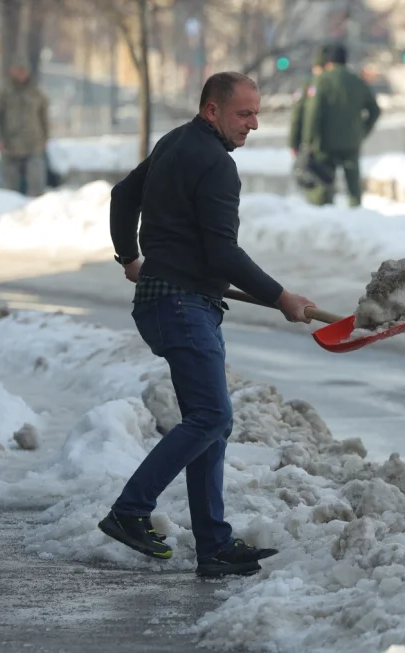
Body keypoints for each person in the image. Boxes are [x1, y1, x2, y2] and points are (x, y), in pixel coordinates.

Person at [103, 72, 317, 578]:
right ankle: (130, 510)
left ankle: (214, 546)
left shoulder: (173, 143)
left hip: (167, 298)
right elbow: (222, 252)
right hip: (182, 304)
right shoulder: (217, 165)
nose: (254, 124)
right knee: (212, 418)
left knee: (210, 425)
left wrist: (129, 256)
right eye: (244, 114)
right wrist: (280, 296)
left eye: (256, 113)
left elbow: (120, 195)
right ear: (212, 110)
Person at [298, 43, 382, 207]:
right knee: (353, 182)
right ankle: (355, 210)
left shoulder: (321, 81)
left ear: (328, 62)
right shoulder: (357, 81)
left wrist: (308, 141)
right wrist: (362, 131)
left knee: (325, 183)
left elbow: (312, 114)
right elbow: (375, 110)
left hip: (325, 143)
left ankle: (328, 214)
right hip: (351, 141)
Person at [0, 61, 51, 196]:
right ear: (12, 71)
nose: (21, 74)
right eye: (18, 70)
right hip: (10, 146)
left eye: (24, 70)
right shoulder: (2, 92)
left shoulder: (36, 91)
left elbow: (44, 116)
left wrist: (46, 137)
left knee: (36, 186)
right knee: (10, 190)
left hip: (33, 144)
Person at [289, 46, 328, 157]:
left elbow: (297, 114)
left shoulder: (309, 85)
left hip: (311, 145)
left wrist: (293, 143)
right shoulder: (336, 86)